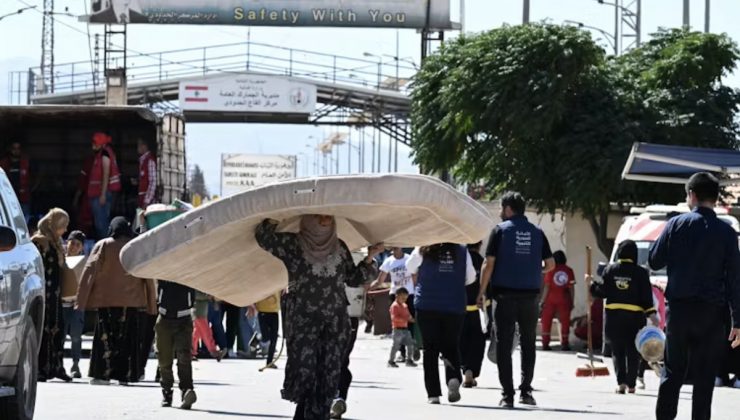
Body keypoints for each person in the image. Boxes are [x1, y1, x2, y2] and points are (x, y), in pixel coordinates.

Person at [255, 215, 381, 420]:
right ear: (308, 220)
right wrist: (278, 213)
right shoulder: (293, 243)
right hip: (304, 320)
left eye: (328, 217)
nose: (325, 221)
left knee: (328, 374)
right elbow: (264, 238)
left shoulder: (339, 247)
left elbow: (354, 278)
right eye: (319, 217)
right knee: (305, 373)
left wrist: (369, 258)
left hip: (335, 321)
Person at [649, 172, 740, 420]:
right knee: (704, 377)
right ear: (715, 197)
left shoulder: (676, 225)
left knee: (672, 372)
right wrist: (737, 321)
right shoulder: (727, 233)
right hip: (712, 315)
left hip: (679, 311)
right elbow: (734, 279)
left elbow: (654, 260)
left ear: (692, 195)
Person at [477, 191, 555, 408]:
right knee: (529, 343)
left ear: (508, 209)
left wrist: (481, 292)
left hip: (504, 296)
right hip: (530, 298)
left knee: (504, 345)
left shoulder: (500, 231)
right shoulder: (538, 233)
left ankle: (507, 395)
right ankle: (526, 392)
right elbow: (550, 265)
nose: (501, 213)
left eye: (502, 209)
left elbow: (488, 264)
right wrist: (533, 267)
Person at [76, 217, 157, 385]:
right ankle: (124, 376)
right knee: (127, 339)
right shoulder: (136, 246)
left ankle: (102, 375)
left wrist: (81, 301)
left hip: (106, 302)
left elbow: (89, 272)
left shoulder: (103, 245)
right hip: (132, 303)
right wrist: (151, 304)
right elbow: (147, 276)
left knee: (105, 338)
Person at [406, 243, 476, 405]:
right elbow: (470, 277)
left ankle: (433, 394)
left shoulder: (423, 248)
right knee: (451, 346)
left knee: (430, 349)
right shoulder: (462, 250)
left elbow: (410, 267)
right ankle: (453, 378)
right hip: (454, 305)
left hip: (427, 304)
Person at [587, 240, 659, 394]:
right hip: (634, 317)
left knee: (617, 351)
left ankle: (621, 384)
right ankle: (632, 385)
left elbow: (602, 292)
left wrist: (591, 284)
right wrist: (652, 314)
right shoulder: (641, 273)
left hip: (614, 317)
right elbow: (646, 297)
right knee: (633, 351)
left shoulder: (610, 270)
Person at [332, 249, 379, 419]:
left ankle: (337, 398)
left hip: (344, 315)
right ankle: (327, 399)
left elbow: (357, 278)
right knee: (324, 361)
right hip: (317, 317)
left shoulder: (343, 248)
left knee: (340, 360)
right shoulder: (307, 247)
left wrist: (370, 257)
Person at [32, 208, 73, 382]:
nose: (64, 231)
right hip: (43, 293)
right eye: (62, 226)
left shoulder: (57, 243)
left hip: (55, 296)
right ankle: (42, 369)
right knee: (43, 330)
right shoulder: (38, 242)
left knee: (58, 329)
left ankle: (57, 367)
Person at [155, 280, 197, 410]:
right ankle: (167, 392)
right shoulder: (163, 267)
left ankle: (186, 390)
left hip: (184, 319)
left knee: (184, 356)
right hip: (164, 317)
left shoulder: (187, 267)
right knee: (164, 359)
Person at [372, 247, 416, 361]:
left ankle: (411, 350)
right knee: (398, 324)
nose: (394, 249)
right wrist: (368, 288)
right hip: (396, 297)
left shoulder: (409, 259)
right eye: (392, 247)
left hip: (409, 294)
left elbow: (415, 275)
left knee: (410, 323)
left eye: (396, 247)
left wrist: (415, 289)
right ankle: (402, 353)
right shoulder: (389, 261)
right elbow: (380, 280)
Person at [75, 132, 122, 240]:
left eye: (95, 144)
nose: (93, 146)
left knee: (101, 223)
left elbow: (106, 173)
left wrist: (103, 194)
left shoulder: (105, 154)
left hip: (101, 194)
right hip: (98, 193)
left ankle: (106, 245)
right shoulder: (102, 153)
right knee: (100, 222)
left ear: (100, 144)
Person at [460, 242, 487, 388]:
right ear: (480, 244)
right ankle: (472, 371)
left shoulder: (460, 259)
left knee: (462, 340)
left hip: (459, 309)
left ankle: (465, 371)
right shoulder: (484, 261)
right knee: (477, 343)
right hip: (479, 310)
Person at [63, 230, 87, 379]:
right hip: (61, 304)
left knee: (76, 336)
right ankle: (58, 364)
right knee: (59, 336)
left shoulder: (83, 263)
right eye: (72, 243)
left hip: (76, 305)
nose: (73, 247)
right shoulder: (60, 259)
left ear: (81, 248)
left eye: (77, 245)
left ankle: (75, 364)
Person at [540, 250, 575, 351]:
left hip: (550, 299)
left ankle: (545, 344)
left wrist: (542, 301)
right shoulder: (569, 270)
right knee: (565, 322)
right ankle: (564, 343)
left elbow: (546, 286)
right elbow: (571, 288)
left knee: (546, 321)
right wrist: (572, 301)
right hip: (564, 298)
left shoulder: (550, 270)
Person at [0, 140, 35, 218]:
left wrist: (30, 188)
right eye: (14, 148)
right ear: (10, 149)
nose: (16, 151)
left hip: (23, 198)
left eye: (18, 148)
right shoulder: (3, 163)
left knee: (24, 219)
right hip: (7, 199)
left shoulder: (26, 162)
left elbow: (35, 176)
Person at [387, 287, 417, 368]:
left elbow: (408, 315)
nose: (404, 300)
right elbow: (394, 318)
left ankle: (409, 360)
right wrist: (405, 319)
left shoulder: (405, 305)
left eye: (406, 298)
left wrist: (412, 319)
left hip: (405, 329)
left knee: (410, 344)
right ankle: (391, 361)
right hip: (397, 329)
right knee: (396, 346)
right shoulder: (394, 306)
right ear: (397, 296)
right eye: (402, 298)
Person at [192, 291, 224, 361]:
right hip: (198, 312)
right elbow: (195, 295)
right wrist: (208, 296)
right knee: (206, 332)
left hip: (201, 312)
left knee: (197, 334)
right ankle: (214, 351)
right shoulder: (196, 286)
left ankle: (190, 352)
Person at [255, 292, 281, 368]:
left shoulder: (278, 281)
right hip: (262, 310)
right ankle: (256, 339)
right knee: (266, 337)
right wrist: (251, 306)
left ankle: (269, 362)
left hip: (274, 311)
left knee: (274, 338)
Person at [137, 138, 157, 209]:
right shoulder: (143, 161)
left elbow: (153, 181)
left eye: (138, 145)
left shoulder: (150, 161)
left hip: (147, 201)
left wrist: (147, 201)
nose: (137, 148)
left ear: (144, 146)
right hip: (142, 198)